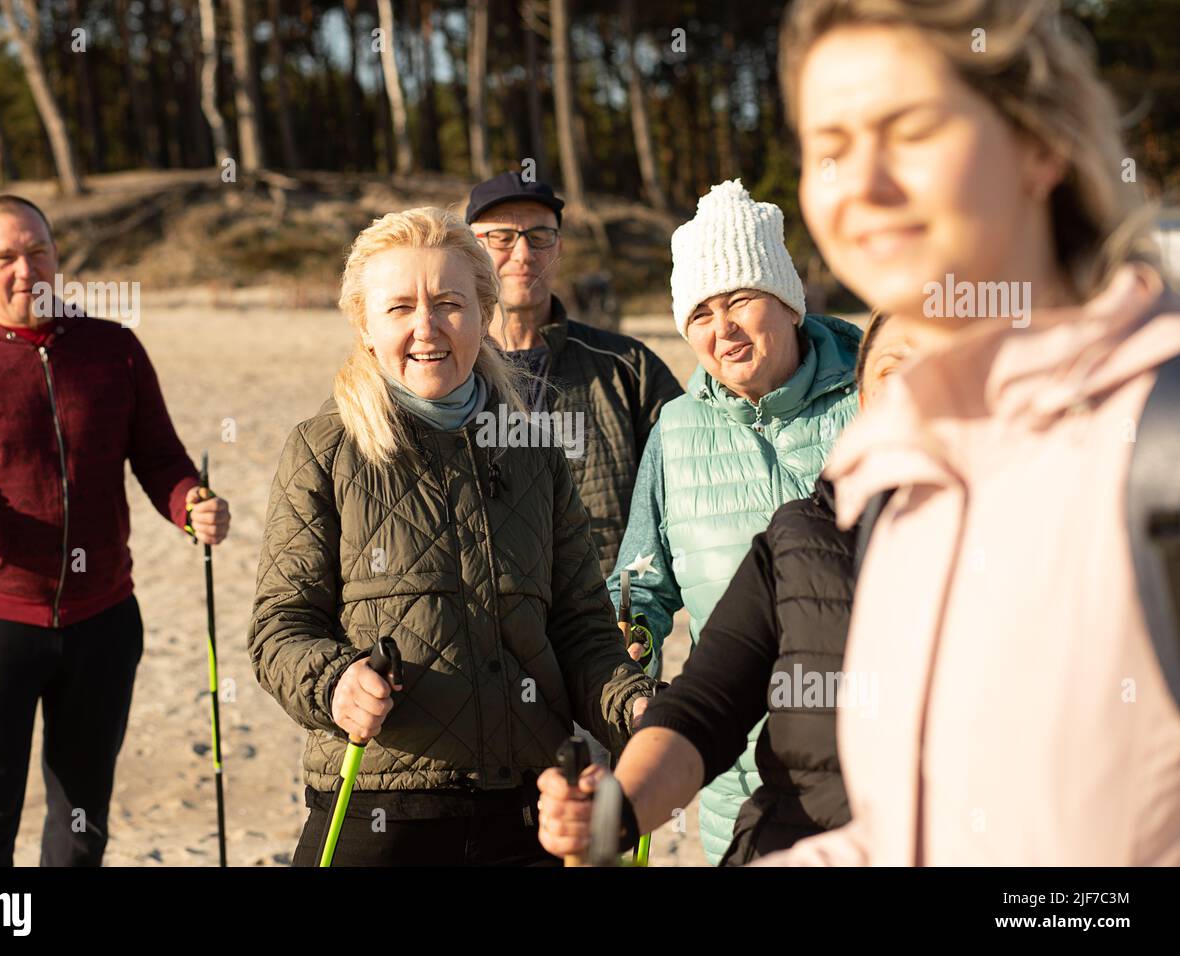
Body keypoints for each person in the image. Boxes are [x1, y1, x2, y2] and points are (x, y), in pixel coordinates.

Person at [764, 0, 1180, 864]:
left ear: (1039, 144)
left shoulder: (1160, 440)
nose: (862, 184)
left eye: (910, 130)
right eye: (828, 148)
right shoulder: (905, 480)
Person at [248, 206, 657, 867]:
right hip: (379, 799)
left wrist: (633, 704)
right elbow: (279, 628)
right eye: (400, 307)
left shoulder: (533, 451)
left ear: (484, 312)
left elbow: (582, 627)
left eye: (449, 303)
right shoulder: (323, 450)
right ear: (365, 326)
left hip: (531, 800)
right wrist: (336, 682)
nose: (427, 327)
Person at [0, 195, 230, 866]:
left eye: (38, 251)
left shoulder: (114, 350)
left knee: (80, 820)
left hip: (102, 620)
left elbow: (160, 458)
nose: (26, 270)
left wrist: (191, 503)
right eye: (6, 257)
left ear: (56, 255)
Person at [535, 312, 947, 864]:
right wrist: (617, 808)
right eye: (896, 372)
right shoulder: (799, 541)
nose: (926, 391)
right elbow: (704, 706)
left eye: (947, 366)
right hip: (784, 828)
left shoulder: (1059, 539)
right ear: (867, 400)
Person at [605, 179, 862, 863]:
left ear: (786, 301)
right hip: (735, 779)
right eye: (700, 313)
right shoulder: (677, 432)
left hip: (873, 761)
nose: (721, 331)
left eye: (740, 301)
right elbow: (642, 581)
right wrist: (635, 638)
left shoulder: (873, 396)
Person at [466, 172, 682, 574]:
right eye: (501, 237)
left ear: (559, 247)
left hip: (606, 618)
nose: (523, 253)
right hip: (487, 623)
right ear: (471, 251)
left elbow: (690, 478)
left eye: (540, 235)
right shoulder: (445, 373)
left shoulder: (626, 367)